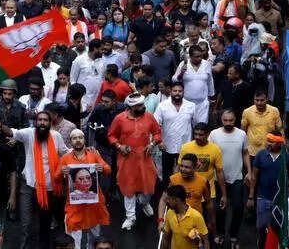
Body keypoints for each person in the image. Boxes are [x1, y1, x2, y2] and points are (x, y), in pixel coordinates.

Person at [0, 110, 68, 249]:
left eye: (45, 120)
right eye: (40, 120)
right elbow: (11, 132)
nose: (42, 123)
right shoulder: (29, 134)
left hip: (48, 189)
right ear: (36, 122)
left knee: (45, 223)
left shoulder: (56, 136)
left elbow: (66, 153)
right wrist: (0, 125)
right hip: (28, 186)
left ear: (50, 123)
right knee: (26, 223)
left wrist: (85, 151)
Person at [108, 92, 162, 230]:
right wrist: (120, 146)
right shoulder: (119, 119)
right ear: (131, 107)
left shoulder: (149, 117)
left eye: (143, 104)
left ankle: (144, 203)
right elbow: (111, 136)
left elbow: (157, 132)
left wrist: (152, 144)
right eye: (139, 106)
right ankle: (130, 217)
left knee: (149, 186)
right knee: (128, 188)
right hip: (127, 159)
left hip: (145, 157)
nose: (143, 107)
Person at [59, 128, 111, 249]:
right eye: (74, 138)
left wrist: (102, 168)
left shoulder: (94, 155)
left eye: (80, 137)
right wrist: (62, 172)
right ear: (70, 141)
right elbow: (56, 177)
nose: (78, 140)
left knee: (94, 238)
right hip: (74, 206)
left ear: (84, 140)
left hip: (93, 205)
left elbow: (108, 169)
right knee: (73, 239)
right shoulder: (65, 158)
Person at [209, 110, 250, 249]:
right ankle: (220, 233)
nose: (228, 123)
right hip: (218, 179)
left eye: (231, 120)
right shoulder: (214, 134)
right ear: (221, 120)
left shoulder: (242, 134)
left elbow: (245, 153)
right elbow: (209, 154)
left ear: (235, 120)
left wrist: (249, 172)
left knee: (238, 207)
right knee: (221, 209)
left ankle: (234, 236)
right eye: (225, 120)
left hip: (237, 177)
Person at [248, 132, 289, 248]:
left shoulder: (287, 158)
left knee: (278, 228)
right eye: (267, 140)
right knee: (261, 228)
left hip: (280, 200)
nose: (268, 143)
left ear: (279, 143)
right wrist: (251, 196)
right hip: (263, 198)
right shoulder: (260, 155)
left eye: (272, 141)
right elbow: (254, 177)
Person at [178, 122, 227, 214]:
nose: (197, 137)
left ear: (208, 134)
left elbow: (220, 172)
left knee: (209, 220)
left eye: (201, 135)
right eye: (195, 134)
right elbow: (178, 168)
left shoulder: (215, 149)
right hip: (189, 191)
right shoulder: (186, 147)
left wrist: (224, 195)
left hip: (208, 192)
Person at [154, 82, 199, 178]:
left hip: (185, 145)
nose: (177, 93)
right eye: (175, 91)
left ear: (184, 92)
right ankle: (167, 190)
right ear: (171, 92)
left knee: (185, 172)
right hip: (166, 145)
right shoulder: (162, 106)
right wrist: (159, 141)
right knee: (167, 172)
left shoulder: (191, 106)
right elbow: (155, 125)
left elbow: (196, 125)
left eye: (180, 91)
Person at [160, 184, 210, 249]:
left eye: (169, 199)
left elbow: (206, 241)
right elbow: (166, 237)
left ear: (176, 200)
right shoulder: (169, 213)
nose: (167, 202)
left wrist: (198, 239)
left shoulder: (196, 216)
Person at [241, 89, 283, 160]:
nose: (259, 103)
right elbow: (243, 131)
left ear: (267, 99)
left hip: (270, 150)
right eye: (256, 100)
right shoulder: (247, 112)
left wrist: (282, 145)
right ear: (253, 100)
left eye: (262, 100)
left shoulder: (274, 111)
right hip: (253, 151)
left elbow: (280, 129)